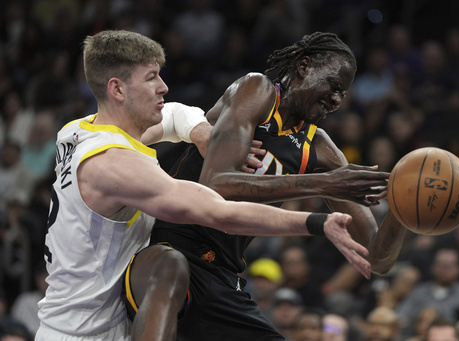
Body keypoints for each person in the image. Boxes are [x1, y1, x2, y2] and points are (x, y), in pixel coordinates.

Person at [35, 30, 379, 341]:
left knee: (170, 269)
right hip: (86, 331)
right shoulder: (113, 165)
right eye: (152, 78)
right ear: (118, 88)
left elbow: (175, 114)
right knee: (170, 265)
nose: (164, 87)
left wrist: (202, 133)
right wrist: (318, 216)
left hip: (83, 315)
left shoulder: (78, 130)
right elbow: (219, 209)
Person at [126, 32, 406, 340]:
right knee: (171, 270)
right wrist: (324, 184)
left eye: (344, 94)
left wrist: (405, 210)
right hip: (169, 246)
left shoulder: (320, 149)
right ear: (304, 66)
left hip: (222, 274)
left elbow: (377, 258)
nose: (337, 100)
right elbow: (216, 185)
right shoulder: (257, 90)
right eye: (334, 86)